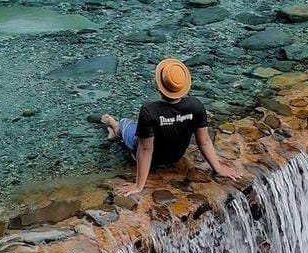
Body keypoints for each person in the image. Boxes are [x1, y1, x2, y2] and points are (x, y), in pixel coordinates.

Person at [102, 58, 242, 197]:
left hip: (154, 159)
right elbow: (204, 141)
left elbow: (145, 149)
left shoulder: (149, 111)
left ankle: (113, 125)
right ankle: (114, 132)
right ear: (184, 87)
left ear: (160, 87)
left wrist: (139, 185)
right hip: (175, 157)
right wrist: (218, 168)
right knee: (141, 129)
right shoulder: (196, 106)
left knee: (126, 124)